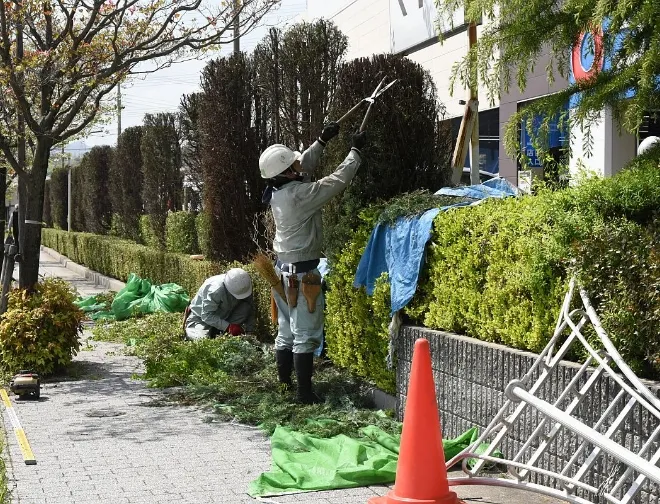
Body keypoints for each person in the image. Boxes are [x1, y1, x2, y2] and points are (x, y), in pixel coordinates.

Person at [259, 122, 368, 403]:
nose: (298, 166)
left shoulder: (277, 191)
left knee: (285, 333)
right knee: (305, 335)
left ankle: (285, 387)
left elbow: (299, 166)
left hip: (282, 273)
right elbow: (336, 181)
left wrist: (321, 141)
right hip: (303, 276)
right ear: (285, 172)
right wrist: (355, 151)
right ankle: (304, 395)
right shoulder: (299, 196)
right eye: (293, 165)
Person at [184, 268, 255, 340]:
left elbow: (250, 308)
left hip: (224, 316)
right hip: (201, 318)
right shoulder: (216, 290)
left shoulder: (244, 287)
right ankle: (214, 332)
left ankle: (220, 333)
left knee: (246, 307)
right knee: (200, 340)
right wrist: (228, 327)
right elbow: (206, 316)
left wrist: (250, 331)